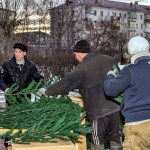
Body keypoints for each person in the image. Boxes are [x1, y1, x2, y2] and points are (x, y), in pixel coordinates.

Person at [38, 39, 122, 150]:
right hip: (115, 108)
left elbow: (64, 84)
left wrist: (47, 91)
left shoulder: (82, 69)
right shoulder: (108, 59)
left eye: (75, 55)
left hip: (98, 112)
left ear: (79, 53)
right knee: (116, 139)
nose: (75, 57)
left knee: (97, 142)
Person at [104, 36, 150, 150]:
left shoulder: (130, 70)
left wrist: (110, 76)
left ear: (130, 53)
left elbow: (110, 90)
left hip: (137, 125)